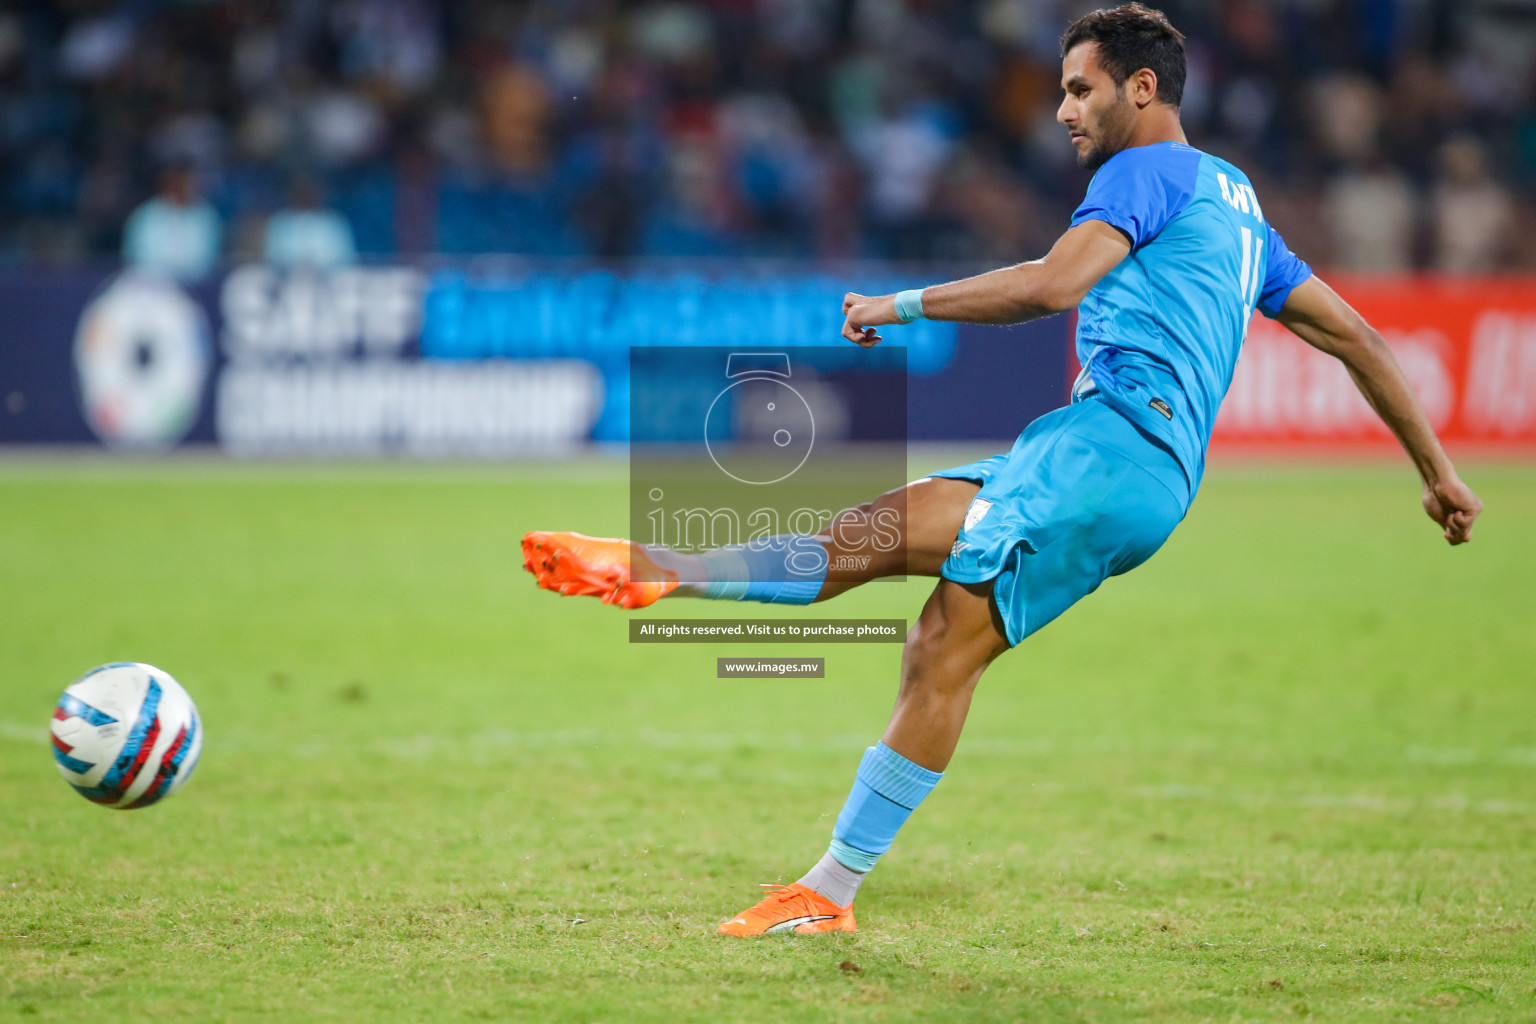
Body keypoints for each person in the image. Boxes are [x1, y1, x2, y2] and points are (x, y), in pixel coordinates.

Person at [522, 3, 1484, 936]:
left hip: (1112, 451)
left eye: (1080, 89)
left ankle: (697, 628)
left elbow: (1049, 285)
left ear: (1141, 89)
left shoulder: (1147, 173)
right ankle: (678, 596)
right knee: (910, 596)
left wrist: (896, 305)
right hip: (1102, 455)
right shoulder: (1236, 205)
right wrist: (1436, 472)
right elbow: (1356, 335)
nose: (1062, 110)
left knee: (917, 610)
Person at [122, 163, 221, 281]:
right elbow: (138, 255)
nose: (181, 187)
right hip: (153, 285)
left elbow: (207, 259)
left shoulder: (206, 216)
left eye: (186, 182)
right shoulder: (146, 215)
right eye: (176, 182)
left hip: (197, 286)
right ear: (165, 184)